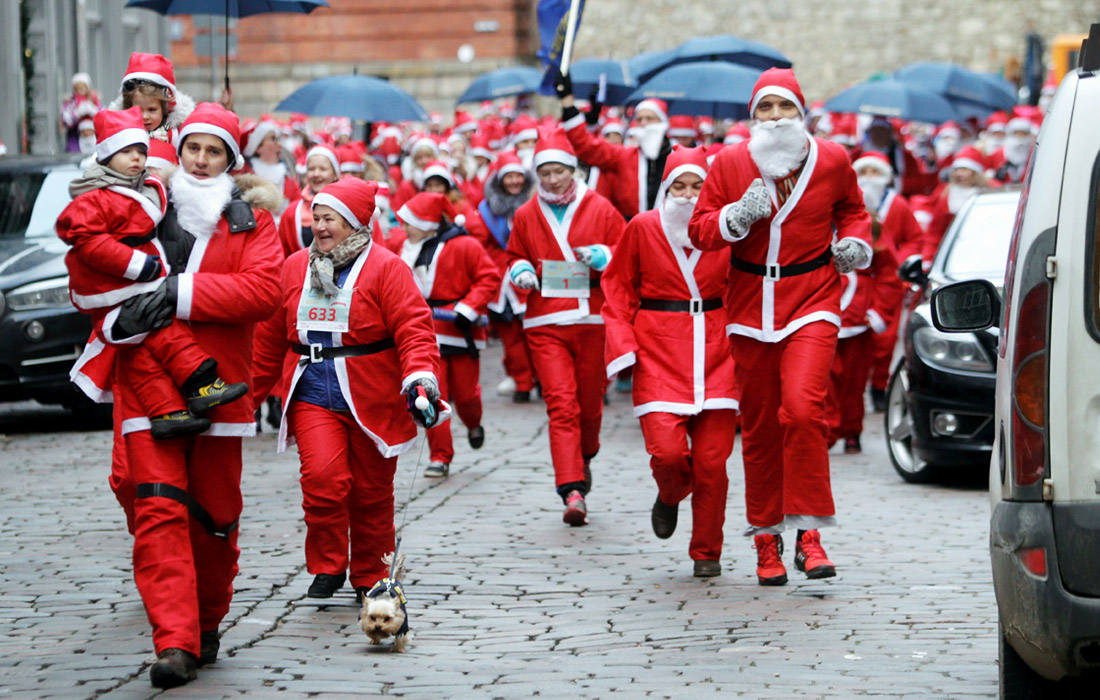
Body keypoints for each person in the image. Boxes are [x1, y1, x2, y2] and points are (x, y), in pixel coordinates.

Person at [106, 102, 282, 687]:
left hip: (221, 389)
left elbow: (261, 292)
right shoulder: (141, 210)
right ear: (177, 151)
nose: (201, 161)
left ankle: (206, 623)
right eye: (193, 149)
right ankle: (174, 643)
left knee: (214, 519)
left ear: (231, 160)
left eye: (214, 151)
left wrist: (181, 292)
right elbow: (96, 271)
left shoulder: (254, 223)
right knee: (158, 509)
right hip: (145, 384)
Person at [689, 68, 872, 585]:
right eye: (764, 110)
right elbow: (702, 230)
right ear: (752, 118)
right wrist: (733, 217)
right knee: (763, 425)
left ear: (801, 112)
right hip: (750, 304)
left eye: (784, 108)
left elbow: (853, 211)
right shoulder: (728, 162)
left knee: (803, 409)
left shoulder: (833, 158)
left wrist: (856, 244)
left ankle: (810, 535)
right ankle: (766, 539)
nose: (774, 119)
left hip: (813, 295)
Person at [250, 177, 444, 604]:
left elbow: (414, 329)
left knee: (372, 491)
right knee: (322, 479)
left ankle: (370, 574)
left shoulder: (387, 268)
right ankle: (327, 564)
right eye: (316, 217)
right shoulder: (294, 265)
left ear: (354, 222)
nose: (319, 226)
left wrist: (419, 379)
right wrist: (244, 397)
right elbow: (268, 337)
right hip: (311, 386)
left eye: (330, 218)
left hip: (370, 389)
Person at [59, 106, 249, 440]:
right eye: (125, 152)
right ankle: (201, 385)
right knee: (164, 337)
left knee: (154, 346)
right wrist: (137, 266)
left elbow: (260, 291)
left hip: (141, 288)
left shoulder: (146, 188)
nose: (135, 159)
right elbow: (89, 242)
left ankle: (169, 410)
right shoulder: (97, 197)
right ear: (106, 157)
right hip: (118, 292)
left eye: (140, 151)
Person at [600, 146, 740, 577]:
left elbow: (746, 287)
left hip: (718, 349)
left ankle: (706, 553)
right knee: (667, 454)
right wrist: (622, 343)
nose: (688, 195)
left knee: (714, 463)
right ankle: (670, 493)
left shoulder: (727, 231)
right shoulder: (643, 227)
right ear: (665, 188)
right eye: (678, 186)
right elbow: (617, 286)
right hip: (659, 348)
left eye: (698, 186)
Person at [506, 128, 625, 525]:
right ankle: (571, 490)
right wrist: (521, 271)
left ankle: (584, 455)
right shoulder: (526, 214)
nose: (553, 179)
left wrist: (604, 254)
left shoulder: (601, 208)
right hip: (545, 319)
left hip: (592, 317)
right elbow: (515, 254)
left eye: (559, 171)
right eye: (546, 173)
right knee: (561, 403)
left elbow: (624, 252)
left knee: (590, 405)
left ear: (572, 170)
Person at [395, 192, 499, 477]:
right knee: (428, 395)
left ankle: (473, 424)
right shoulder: (403, 246)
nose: (403, 228)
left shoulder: (466, 245)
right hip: (423, 333)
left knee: (466, 395)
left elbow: (488, 278)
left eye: (409, 222)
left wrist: (467, 307)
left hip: (459, 331)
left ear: (427, 223)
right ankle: (440, 457)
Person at [851, 152, 924, 413]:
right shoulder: (850, 204)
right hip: (854, 283)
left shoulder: (898, 205)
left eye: (875, 172)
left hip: (888, 280)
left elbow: (914, 238)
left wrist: (901, 261)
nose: (869, 178)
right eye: (864, 172)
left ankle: (879, 386)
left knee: (884, 340)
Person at [466, 152, 538, 402]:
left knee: (534, 333)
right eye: (509, 176)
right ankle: (522, 381)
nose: (515, 181)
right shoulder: (486, 211)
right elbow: (479, 246)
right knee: (511, 336)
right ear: (500, 180)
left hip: (531, 278)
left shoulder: (537, 204)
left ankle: (539, 377)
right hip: (500, 283)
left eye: (519, 175)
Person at [556, 72, 672, 221]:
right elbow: (586, 147)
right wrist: (568, 104)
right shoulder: (625, 156)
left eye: (649, 118)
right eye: (639, 119)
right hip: (631, 233)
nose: (643, 123)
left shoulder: (678, 157)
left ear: (662, 122)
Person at [110, 53, 195, 146]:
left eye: (152, 110)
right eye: (138, 110)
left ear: (165, 109)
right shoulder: (119, 135)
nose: (145, 116)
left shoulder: (176, 136)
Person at [277, 145, 341, 257]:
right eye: (311, 169)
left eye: (323, 169)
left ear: (335, 174)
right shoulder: (291, 213)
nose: (316, 174)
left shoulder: (351, 208)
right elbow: (282, 256)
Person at [241, 119, 301, 218]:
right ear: (258, 147)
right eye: (273, 139)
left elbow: (298, 208)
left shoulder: (288, 178)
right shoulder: (246, 177)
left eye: (278, 139)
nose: (279, 145)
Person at [61, 72, 102, 153]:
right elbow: (65, 120)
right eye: (77, 88)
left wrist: (93, 111)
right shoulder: (70, 103)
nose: (80, 91)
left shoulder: (94, 100)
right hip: (75, 142)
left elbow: (103, 118)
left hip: (94, 141)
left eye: (82, 88)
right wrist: (77, 113)